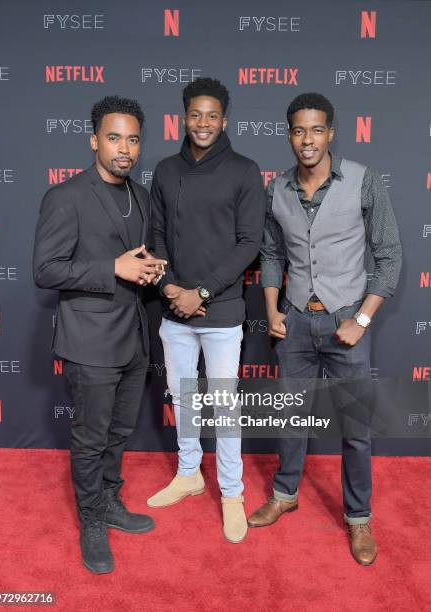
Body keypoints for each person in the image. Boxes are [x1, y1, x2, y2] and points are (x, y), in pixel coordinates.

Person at [248, 93, 402, 565]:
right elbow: (272, 255)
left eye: (316, 130)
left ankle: (358, 519)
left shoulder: (362, 180)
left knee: (355, 429)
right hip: (294, 323)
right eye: (298, 130)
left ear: (331, 132)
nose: (307, 140)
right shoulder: (276, 188)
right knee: (291, 418)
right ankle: (285, 492)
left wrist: (361, 320)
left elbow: (389, 256)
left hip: (345, 324)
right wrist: (273, 310)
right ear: (289, 134)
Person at [33, 96, 166, 574]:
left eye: (132, 138)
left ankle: (109, 502)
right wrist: (112, 268)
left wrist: (147, 271)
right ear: (94, 141)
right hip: (90, 341)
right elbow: (45, 270)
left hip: (133, 337)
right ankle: (90, 521)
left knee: (119, 431)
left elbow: (137, 262)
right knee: (90, 438)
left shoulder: (142, 196)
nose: (124, 148)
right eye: (114, 137)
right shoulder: (65, 197)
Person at [148, 77, 266, 543]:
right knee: (183, 398)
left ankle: (233, 493)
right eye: (195, 114)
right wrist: (171, 286)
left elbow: (250, 243)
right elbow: (155, 236)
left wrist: (202, 291)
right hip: (174, 308)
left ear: (224, 119)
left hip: (220, 312)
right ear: (183, 116)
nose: (203, 123)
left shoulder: (244, 169)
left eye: (212, 115)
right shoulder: (163, 169)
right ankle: (189, 474)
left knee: (223, 405)